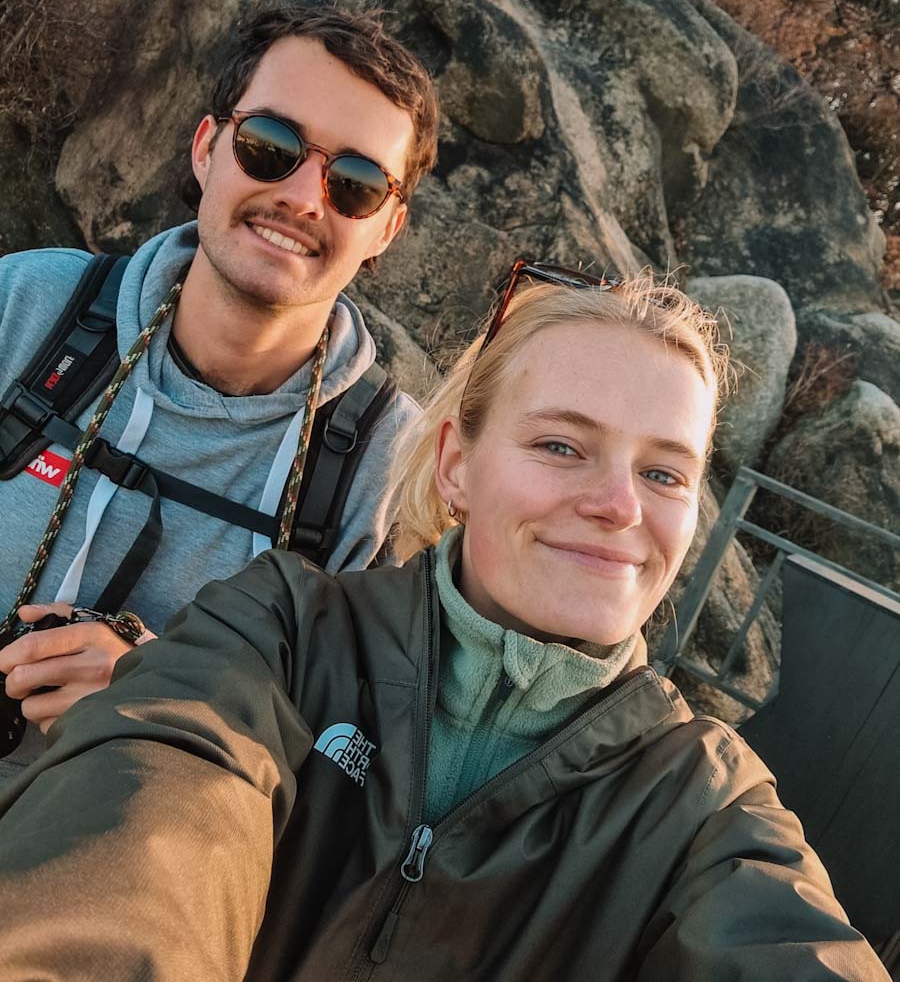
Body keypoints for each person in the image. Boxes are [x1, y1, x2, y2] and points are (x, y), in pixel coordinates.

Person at [0, 260, 888, 981]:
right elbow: (146, 825)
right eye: (560, 446)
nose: (619, 504)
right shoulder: (278, 632)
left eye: (665, 474)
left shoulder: (703, 806)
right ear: (458, 466)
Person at [0, 1, 438, 781]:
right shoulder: (28, 309)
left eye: (357, 183)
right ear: (208, 149)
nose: (304, 199)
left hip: (120, 876)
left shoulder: (390, 472)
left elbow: (362, 760)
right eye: (271, 145)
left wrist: (165, 691)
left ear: (386, 230)